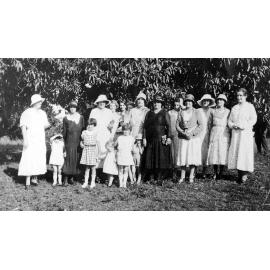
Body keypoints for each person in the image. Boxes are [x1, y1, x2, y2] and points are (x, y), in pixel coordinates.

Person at [18, 94, 50, 189]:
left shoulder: (43, 113)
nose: (41, 103)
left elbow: (45, 125)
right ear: (34, 103)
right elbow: (23, 127)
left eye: (41, 101)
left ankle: (34, 178)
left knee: (38, 157)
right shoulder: (27, 112)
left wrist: (49, 123)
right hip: (30, 138)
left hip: (39, 138)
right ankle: (27, 181)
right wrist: (25, 139)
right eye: (39, 101)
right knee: (29, 157)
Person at [228, 88, 257, 184]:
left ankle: (244, 175)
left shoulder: (250, 107)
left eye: (241, 95)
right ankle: (239, 174)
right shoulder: (234, 108)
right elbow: (230, 120)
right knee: (237, 152)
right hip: (236, 133)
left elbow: (253, 119)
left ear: (245, 96)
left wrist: (244, 126)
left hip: (245, 133)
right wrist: (233, 125)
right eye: (238, 95)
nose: (239, 97)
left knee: (244, 152)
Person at [142, 95, 172, 183]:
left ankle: (160, 177)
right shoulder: (149, 113)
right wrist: (144, 138)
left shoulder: (164, 113)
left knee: (160, 158)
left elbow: (169, 126)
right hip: (150, 139)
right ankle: (151, 177)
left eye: (158, 103)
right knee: (150, 158)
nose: (156, 104)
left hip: (160, 139)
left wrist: (169, 137)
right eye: (155, 103)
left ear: (161, 104)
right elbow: (144, 127)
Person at [176, 94, 203, 183]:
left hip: (193, 138)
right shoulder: (181, 112)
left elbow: (201, 125)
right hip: (183, 137)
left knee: (192, 156)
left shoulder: (196, 112)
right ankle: (182, 176)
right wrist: (183, 133)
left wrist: (192, 133)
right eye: (187, 101)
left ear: (193, 103)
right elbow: (177, 125)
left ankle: (191, 176)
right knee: (183, 156)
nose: (188, 103)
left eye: (190, 101)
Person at [207, 94, 230, 180]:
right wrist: (211, 132)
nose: (219, 101)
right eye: (218, 100)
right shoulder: (212, 111)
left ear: (224, 102)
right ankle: (215, 172)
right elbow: (209, 123)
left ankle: (221, 172)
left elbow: (229, 122)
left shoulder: (228, 111)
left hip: (224, 132)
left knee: (222, 151)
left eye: (221, 100)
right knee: (215, 151)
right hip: (215, 131)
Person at [62, 101, 85, 185]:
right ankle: (65, 179)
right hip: (69, 141)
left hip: (78, 142)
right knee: (68, 159)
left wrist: (82, 141)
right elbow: (64, 132)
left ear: (76, 108)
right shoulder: (66, 118)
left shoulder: (81, 117)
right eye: (71, 107)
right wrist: (63, 143)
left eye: (74, 107)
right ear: (69, 108)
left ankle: (71, 178)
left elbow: (83, 131)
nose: (72, 108)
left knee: (76, 159)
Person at [89, 95, 114, 169]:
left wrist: (111, 124)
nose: (102, 103)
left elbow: (112, 121)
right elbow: (90, 123)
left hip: (106, 134)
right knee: (96, 151)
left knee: (106, 151)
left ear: (105, 103)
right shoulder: (94, 111)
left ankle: (104, 172)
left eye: (103, 102)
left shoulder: (109, 111)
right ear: (97, 102)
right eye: (100, 102)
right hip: (97, 134)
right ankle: (95, 173)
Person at [197, 94, 215, 178]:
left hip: (207, 133)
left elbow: (214, 122)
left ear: (210, 102)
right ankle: (195, 170)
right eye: (204, 100)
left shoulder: (212, 111)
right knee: (197, 151)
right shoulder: (198, 110)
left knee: (206, 152)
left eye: (207, 101)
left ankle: (204, 171)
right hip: (198, 133)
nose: (205, 102)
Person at [168, 97, 185, 178]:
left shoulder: (182, 113)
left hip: (179, 135)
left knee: (178, 153)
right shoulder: (170, 112)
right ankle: (171, 171)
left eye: (178, 105)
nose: (176, 106)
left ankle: (178, 171)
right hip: (171, 134)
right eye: (175, 104)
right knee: (171, 153)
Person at [80, 118, 99, 189]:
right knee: (87, 168)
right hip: (86, 150)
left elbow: (98, 144)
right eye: (89, 125)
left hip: (93, 150)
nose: (90, 126)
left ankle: (93, 182)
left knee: (93, 167)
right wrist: (81, 144)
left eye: (92, 125)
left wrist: (98, 154)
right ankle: (85, 182)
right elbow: (81, 141)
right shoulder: (84, 132)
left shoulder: (96, 132)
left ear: (94, 125)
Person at [115, 123, 135, 188]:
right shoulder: (120, 137)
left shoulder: (131, 138)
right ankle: (120, 183)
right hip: (121, 154)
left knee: (126, 169)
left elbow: (132, 148)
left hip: (127, 155)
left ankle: (124, 184)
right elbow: (115, 146)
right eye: (124, 130)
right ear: (123, 130)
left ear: (130, 131)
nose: (126, 132)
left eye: (127, 130)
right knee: (120, 169)